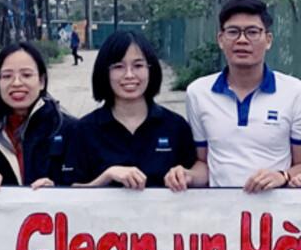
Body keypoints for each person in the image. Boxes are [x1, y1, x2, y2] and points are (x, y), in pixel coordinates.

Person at [185, 0, 301, 190]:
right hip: (219, 210)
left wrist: (282, 176)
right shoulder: (198, 92)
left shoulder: (296, 92)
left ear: (268, 40)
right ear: (221, 39)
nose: (242, 40)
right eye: (233, 32)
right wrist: (186, 176)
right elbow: (203, 163)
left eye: (252, 32)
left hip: (275, 212)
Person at [61, 29, 203, 190]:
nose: (129, 75)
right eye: (118, 66)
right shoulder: (83, 130)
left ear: (151, 69)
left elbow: (200, 170)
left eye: (138, 65)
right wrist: (106, 176)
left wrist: (186, 175)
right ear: (104, 72)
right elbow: (69, 193)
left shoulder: (175, 126)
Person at [0, 42, 69, 190]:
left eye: (26, 75)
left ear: (41, 81)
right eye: (7, 76)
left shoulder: (68, 129)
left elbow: (82, 185)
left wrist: (58, 189)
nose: (16, 83)